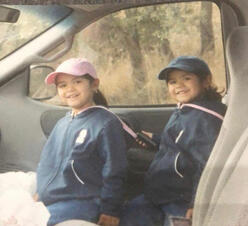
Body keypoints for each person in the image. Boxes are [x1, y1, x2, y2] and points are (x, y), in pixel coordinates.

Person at [120, 56, 227, 226]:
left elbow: (206, 165)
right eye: (172, 82)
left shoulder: (204, 118)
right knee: (129, 214)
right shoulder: (187, 110)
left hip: (180, 197)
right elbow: (181, 139)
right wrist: (155, 138)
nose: (179, 85)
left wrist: (196, 203)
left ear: (205, 81)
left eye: (186, 78)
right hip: (161, 190)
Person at [36, 58, 128, 226]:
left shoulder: (105, 123)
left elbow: (115, 169)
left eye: (77, 82)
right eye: (62, 85)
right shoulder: (62, 123)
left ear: (94, 84)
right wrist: (38, 191)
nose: (69, 89)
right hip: (52, 199)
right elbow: (46, 163)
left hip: (82, 201)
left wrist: (110, 209)